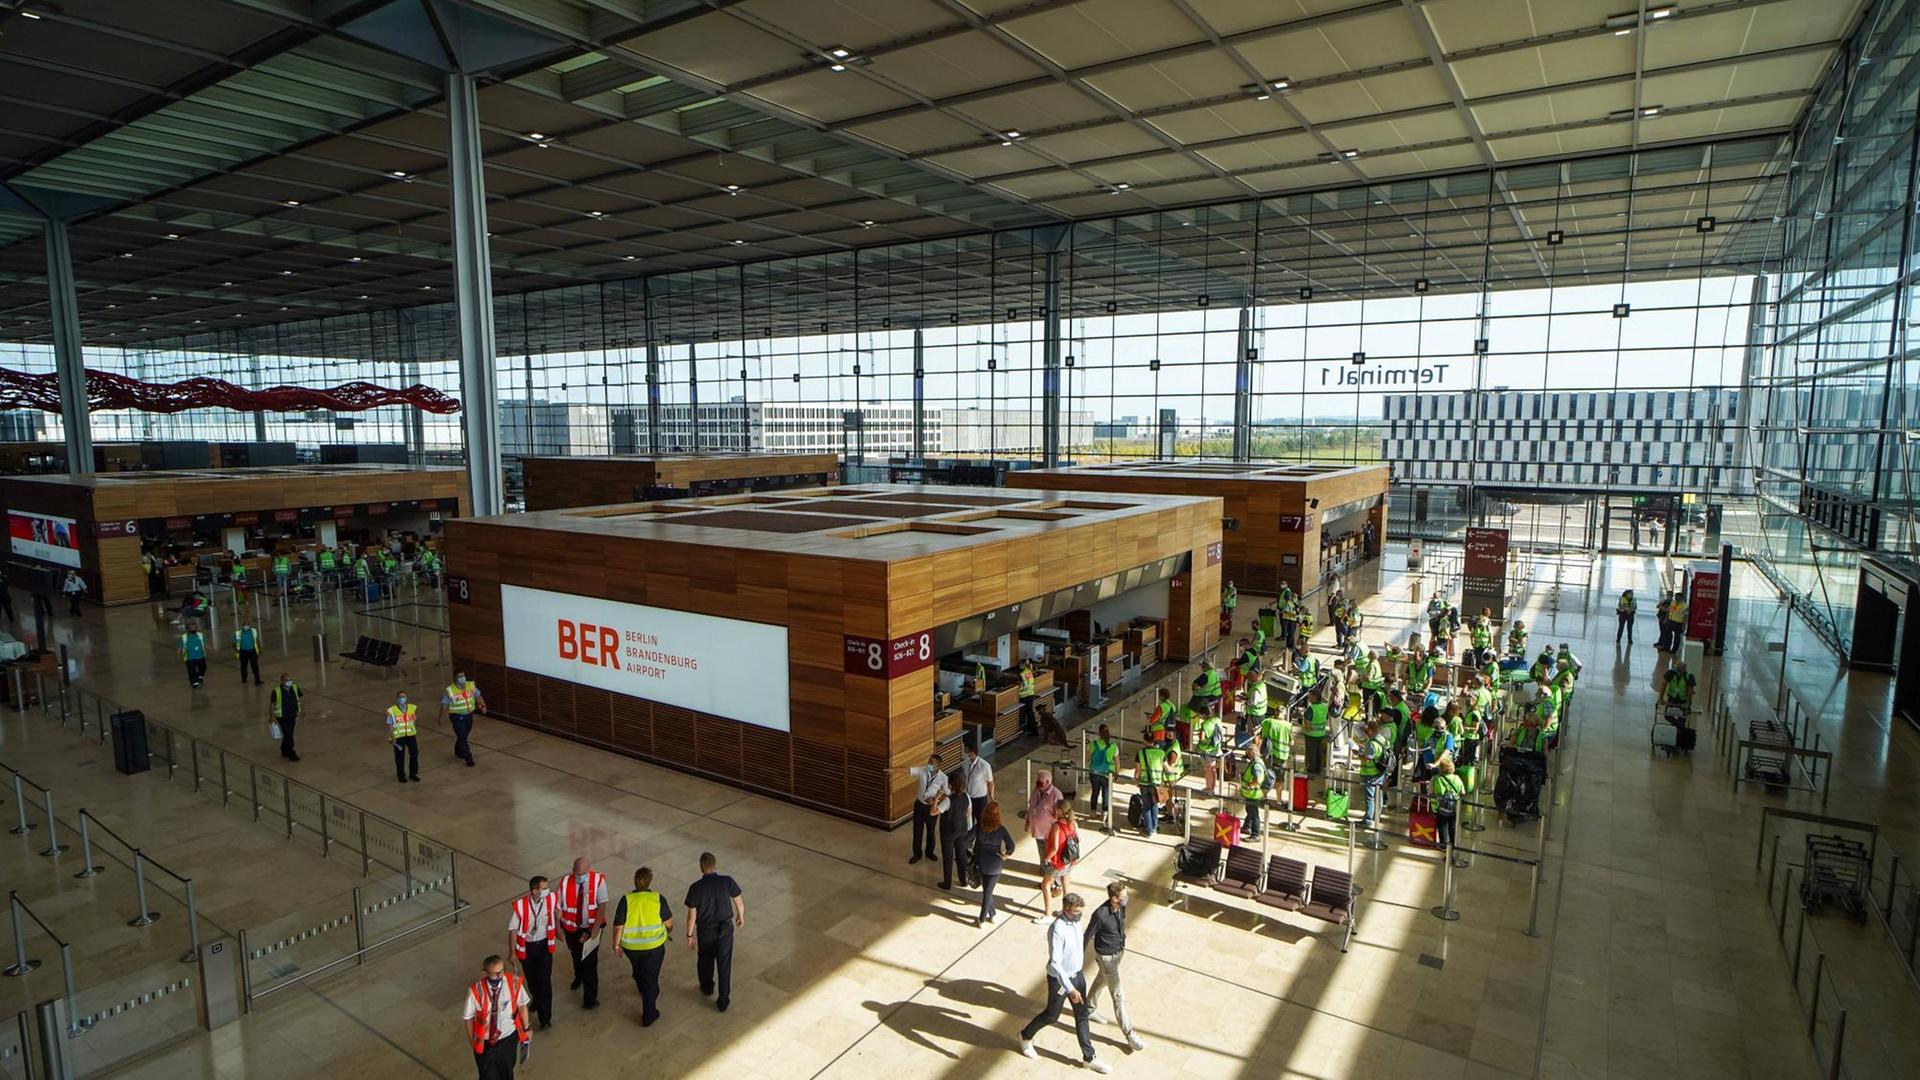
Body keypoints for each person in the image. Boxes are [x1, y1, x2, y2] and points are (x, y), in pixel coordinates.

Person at [1017, 892, 1109, 1073]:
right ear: (1067, 910)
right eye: (1077, 912)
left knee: (1081, 1015)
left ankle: (1089, 1057)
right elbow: (1055, 963)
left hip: (1077, 975)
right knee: (1052, 1015)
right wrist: (1070, 988)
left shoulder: (1075, 921)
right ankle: (1025, 1035)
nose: (1080, 915)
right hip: (1060, 980)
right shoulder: (1058, 929)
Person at [1082, 882, 1147, 1052]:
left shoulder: (1120, 907)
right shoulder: (1100, 915)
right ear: (1114, 898)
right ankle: (1130, 1034)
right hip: (1106, 958)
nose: (1126, 899)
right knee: (1118, 996)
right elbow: (1087, 936)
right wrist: (1076, 959)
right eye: (1123, 896)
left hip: (1118, 952)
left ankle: (1089, 1008)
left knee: (1102, 980)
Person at [683, 852, 744, 1013]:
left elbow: (691, 915)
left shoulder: (695, 888)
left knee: (705, 959)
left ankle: (707, 987)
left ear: (701, 867)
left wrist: (689, 935)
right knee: (724, 964)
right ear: (715, 865)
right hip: (725, 930)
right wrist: (740, 916)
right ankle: (723, 1000)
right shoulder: (727, 881)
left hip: (705, 931)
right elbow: (739, 900)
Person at [613, 867, 673, 1026]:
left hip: (631, 948)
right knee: (651, 979)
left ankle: (640, 982)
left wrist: (616, 945)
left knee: (639, 969)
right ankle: (649, 1015)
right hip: (654, 946)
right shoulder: (657, 898)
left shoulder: (626, 900)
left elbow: (619, 926)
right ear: (649, 882)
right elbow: (668, 922)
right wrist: (668, 929)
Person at [462, 954, 530, 1080]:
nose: (499, 976)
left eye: (501, 971)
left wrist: (526, 1028)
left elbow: (522, 1006)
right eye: (494, 973)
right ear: (485, 973)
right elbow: (468, 1019)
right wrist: (473, 1042)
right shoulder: (476, 991)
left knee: (507, 1070)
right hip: (486, 1042)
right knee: (487, 1074)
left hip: (508, 1037)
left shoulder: (513, 982)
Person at [507, 876, 559, 1030]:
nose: (547, 891)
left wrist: (559, 920)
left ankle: (545, 1018)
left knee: (544, 981)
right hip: (527, 948)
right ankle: (537, 997)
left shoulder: (551, 899)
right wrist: (511, 952)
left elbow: (558, 909)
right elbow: (513, 930)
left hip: (544, 946)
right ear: (534, 891)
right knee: (532, 979)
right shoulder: (521, 906)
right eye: (543, 888)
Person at [558, 857, 607, 1011]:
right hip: (571, 929)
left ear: (589, 869)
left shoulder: (598, 881)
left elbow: (602, 905)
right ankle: (578, 976)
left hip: (591, 928)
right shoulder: (565, 882)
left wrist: (595, 928)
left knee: (590, 963)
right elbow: (558, 907)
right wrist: (558, 929)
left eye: (584, 873)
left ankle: (590, 999)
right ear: (573, 871)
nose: (581, 877)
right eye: (578, 874)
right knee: (576, 955)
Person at [898, 752, 951, 870]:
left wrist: (935, 799)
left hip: (931, 807)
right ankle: (917, 853)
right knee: (917, 830)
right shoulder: (922, 770)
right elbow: (909, 770)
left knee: (931, 831)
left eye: (931, 763)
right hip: (919, 805)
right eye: (929, 762)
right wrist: (893, 770)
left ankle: (929, 852)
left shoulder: (943, 778)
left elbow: (946, 793)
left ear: (938, 765)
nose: (929, 764)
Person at [971, 801, 1015, 927]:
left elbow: (966, 840)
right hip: (995, 865)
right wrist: (1005, 855)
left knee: (987, 891)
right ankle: (986, 917)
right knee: (987, 891)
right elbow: (1011, 846)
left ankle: (984, 917)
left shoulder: (979, 828)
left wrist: (970, 851)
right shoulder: (1001, 830)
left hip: (981, 863)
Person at [1036, 805, 1079, 924]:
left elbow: (1055, 847)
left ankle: (1048, 914)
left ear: (1059, 811)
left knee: (1045, 885)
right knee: (1066, 885)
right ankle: (1066, 910)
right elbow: (1078, 839)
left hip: (1058, 861)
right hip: (1069, 860)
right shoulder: (1073, 823)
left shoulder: (1057, 826)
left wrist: (1046, 858)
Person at [442, 672, 487, 767]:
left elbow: (478, 696)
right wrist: (441, 718)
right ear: (455, 678)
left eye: (463, 676)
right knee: (462, 736)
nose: (462, 678)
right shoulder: (450, 690)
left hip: (469, 715)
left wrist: (483, 706)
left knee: (463, 735)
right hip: (456, 717)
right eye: (459, 676)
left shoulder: (470, 686)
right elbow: (444, 705)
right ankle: (468, 758)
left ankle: (458, 750)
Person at [1432, 754, 1467, 861]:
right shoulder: (1457, 778)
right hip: (1453, 808)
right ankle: (1453, 842)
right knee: (1452, 826)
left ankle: (1443, 844)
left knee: (1442, 826)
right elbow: (1463, 792)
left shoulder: (1436, 779)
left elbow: (1430, 792)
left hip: (1440, 808)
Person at [1026, 769, 1062, 864]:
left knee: (1049, 854)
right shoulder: (1036, 790)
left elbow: (1060, 816)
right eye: (1037, 782)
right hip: (1037, 830)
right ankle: (1043, 869)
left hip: (1048, 833)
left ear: (1048, 782)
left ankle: (1049, 873)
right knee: (1041, 852)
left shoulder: (1056, 795)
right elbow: (1031, 806)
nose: (1038, 785)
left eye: (1040, 783)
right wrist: (1027, 821)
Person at [1359, 719, 1390, 828]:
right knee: (1379, 794)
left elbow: (1367, 758)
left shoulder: (1372, 743)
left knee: (1370, 796)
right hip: (1381, 772)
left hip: (1370, 773)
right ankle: (1377, 815)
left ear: (1371, 730)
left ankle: (1368, 819)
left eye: (1367, 730)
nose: (1365, 732)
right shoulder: (1382, 739)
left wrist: (1358, 754)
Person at [386, 691, 421, 783]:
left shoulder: (412, 708)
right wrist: (391, 737)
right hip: (399, 737)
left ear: (407, 698)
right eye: (400, 697)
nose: (402, 698)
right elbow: (390, 725)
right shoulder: (392, 711)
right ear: (397, 699)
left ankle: (413, 774)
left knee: (414, 753)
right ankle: (401, 775)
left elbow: (414, 720)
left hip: (411, 735)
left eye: (404, 697)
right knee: (399, 757)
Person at [1134, 739, 1167, 837]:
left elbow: (1137, 771)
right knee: (1154, 805)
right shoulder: (1161, 753)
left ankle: (1148, 830)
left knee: (1146, 806)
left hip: (1144, 783)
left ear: (1144, 741)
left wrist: (1136, 780)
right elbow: (1167, 768)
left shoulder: (1140, 753)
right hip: (1156, 783)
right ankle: (1154, 827)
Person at [960, 738, 995, 823]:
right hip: (968, 797)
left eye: (966, 752)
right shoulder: (966, 763)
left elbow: (990, 782)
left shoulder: (984, 765)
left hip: (980, 800)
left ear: (972, 753)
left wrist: (991, 797)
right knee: (968, 821)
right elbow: (965, 777)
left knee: (981, 821)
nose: (964, 753)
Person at [268, 673, 301, 761]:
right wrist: (271, 716)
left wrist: (300, 710)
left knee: (288, 734)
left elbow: (300, 698)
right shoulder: (276, 691)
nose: (289, 682)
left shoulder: (294, 687)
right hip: (282, 717)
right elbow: (272, 704)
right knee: (289, 735)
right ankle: (291, 753)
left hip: (292, 715)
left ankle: (284, 749)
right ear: (282, 681)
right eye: (287, 680)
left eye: (290, 680)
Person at [1239, 740, 1268, 840]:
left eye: (1247, 752)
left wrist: (1249, 785)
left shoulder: (1256, 765)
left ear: (1251, 752)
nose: (1246, 754)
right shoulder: (1256, 762)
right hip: (1251, 794)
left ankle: (1255, 834)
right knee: (1250, 810)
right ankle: (1247, 826)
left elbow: (1258, 780)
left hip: (1254, 794)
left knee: (1254, 813)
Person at [1087, 723, 1118, 816]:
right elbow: (1117, 762)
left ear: (1099, 733)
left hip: (1094, 772)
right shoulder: (1113, 746)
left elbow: (1088, 757)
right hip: (1107, 773)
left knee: (1094, 792)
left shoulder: (1093, 744)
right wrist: (1117, 773)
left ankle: (1093, 811)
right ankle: (1105, 812)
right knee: (1106, 793)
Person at [1303, 687, 1330, 777]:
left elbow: (1307, 724)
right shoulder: (1324, 707)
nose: (1309, 698)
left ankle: (1311, 770)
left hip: (1311, 734)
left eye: (1310, 696)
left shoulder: (1311, 709)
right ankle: (1318, 768)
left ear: (1315, 697)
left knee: (1311, 753)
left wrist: (1305, 728)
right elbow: (1326, 718)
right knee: (1318, 751)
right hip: (1321, 733)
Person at [179, 621, 208, 688]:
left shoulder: (200, 635)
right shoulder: (184, 637)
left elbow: (204, 644)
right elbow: (180, 646)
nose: (193, 629)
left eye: (194, 628)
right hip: (189, 658)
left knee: (203, 667)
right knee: (191, 670)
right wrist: (179, 652)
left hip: (200, 656)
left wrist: (211, 648)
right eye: (191, 628)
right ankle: (194, 682)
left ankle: (199, 675)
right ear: (188, 629)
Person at [234, 619, 262, 686]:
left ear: (249, 625)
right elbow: (234, 643)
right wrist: (236, 649)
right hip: (243, 652)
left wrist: (259, 648)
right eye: (245, 625)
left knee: (255, 666)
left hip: (252, 651)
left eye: (247, 625)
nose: (246, 626)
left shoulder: (253, 631)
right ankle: (244, 679)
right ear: (242, 626)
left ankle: (257, 680)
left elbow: (257, 640)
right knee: (243, 666)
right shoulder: (238, 633)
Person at [1017, 660, 1041, 738]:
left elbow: (1022, 685)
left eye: (1020, 664)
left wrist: (1018, 689)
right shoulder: (1028, 671)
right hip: (1030, 694)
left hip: (1024, 695)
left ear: (1023, 665)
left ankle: (1033, 730)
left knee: (1029, 713)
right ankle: (1032, 728)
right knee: (1030, 712)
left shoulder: (1022, 674)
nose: (1019, 666)